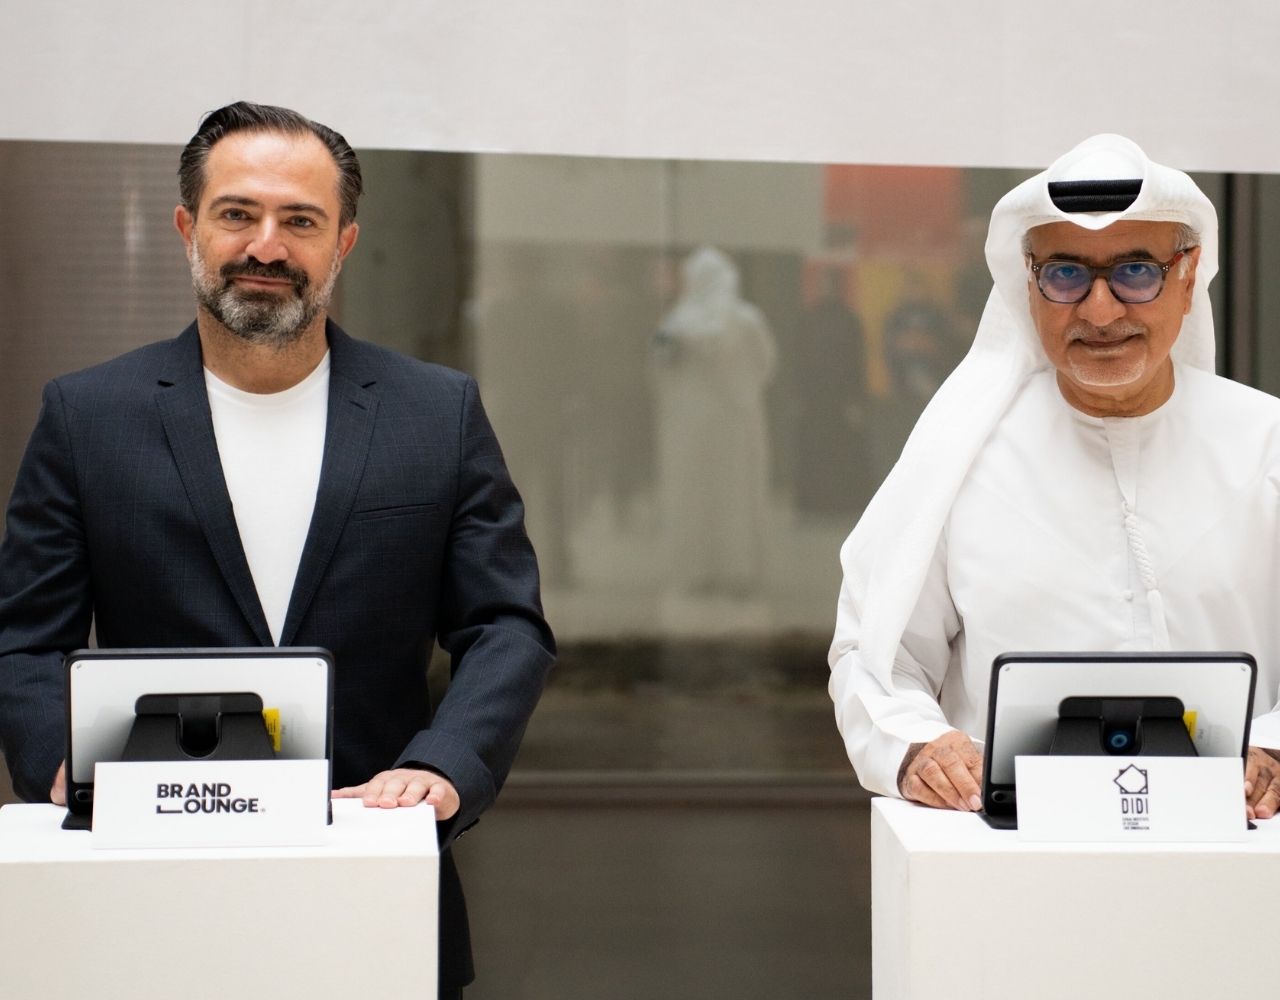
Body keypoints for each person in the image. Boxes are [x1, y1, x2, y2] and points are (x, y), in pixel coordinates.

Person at [0, 101, 555, 997]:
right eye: (237, 214)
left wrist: (443, 766)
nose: (267, 245)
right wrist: (55, 762)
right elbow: (24, 637)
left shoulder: (435, 414)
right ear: (189, 226)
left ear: (342, 244)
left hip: (373, 886)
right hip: (142, 895)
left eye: (301, 220)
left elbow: (506, 626)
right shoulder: (86, 418)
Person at [828, 134, 1280, 821]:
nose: (1100, 311)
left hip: (1234, 853)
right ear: (1028, 285)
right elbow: (875, 650)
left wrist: (1273, 751)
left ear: (1188, 278)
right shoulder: (958, 458)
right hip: (1013, 855)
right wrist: (920, 747)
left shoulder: (1267, 442)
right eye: (1066, 275)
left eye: (1136, 272)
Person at [652, 246, 777, 595]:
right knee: (735, 495)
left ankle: (698, 571)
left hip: (690, 425)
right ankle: (739, 572)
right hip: (737, 421)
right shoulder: (747, 318)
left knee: (696, 494)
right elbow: (766, 364)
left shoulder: (676, 321)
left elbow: (661, 369)